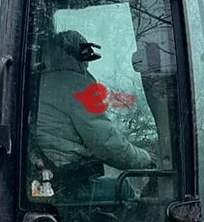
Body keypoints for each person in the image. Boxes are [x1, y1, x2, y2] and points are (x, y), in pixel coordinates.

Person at [32, 30, 152, 198]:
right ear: (76, 56)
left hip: (45, 180)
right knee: (123, 189)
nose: (87, 66)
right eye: (86, 60)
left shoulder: (38, 82)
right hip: (67, 183)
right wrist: (145, 160)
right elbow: (106, 143)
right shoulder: (76, 84)